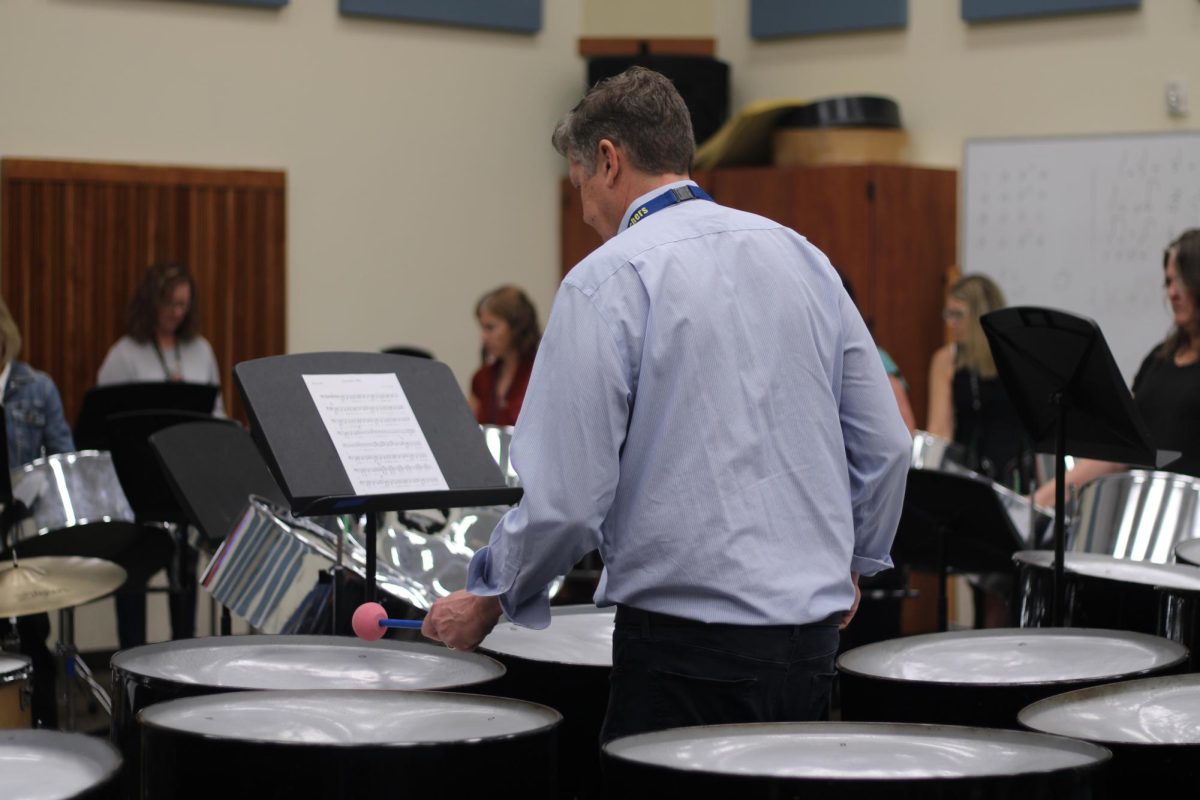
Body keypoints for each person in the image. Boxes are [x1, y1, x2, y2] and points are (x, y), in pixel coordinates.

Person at [422, 67, 911, 742]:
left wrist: (489, 596)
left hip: (688, 655)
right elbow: (885, 445)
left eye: (579, 187)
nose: (587, 210)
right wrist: (855, 561)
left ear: (608, 160)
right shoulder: (802, 256)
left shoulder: (606, 280)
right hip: (808, 646)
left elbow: (565, 500)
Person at [97, 262, 221, 646]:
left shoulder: (200, 350)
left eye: (184, 305)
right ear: (150, 303)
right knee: (133, 578)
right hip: (138, 490)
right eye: (169, 303)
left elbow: (218, 417)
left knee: (184, 578)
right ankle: (130, 663)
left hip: (185, 488)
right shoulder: (125, 354)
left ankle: (183, 661)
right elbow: (104, 424)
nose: (176, 313)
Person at [1034, 229, 1200, 506]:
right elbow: (1118, 450)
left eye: (1181, 281)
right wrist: (1039, 501)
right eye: (1169, 282)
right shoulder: (1159, 359)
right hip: (1139, 512)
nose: (1172, 292)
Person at [0, 295, 74, 727]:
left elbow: (64, 457)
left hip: (24, 540)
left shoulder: (38, 388)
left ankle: (43, 730)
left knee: (33, 639)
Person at [927, 274, 1032, 490]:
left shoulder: (1018, 358)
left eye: (958, 315)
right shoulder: (947, 360)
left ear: (980, 315)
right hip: (966, 478)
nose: (951, 323)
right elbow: (939, 430)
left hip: (1015, 479)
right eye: (948, 314)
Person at [468, 286, 540, 426]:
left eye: (490, 328)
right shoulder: (481, 377)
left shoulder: (540, 375)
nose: (483, 336)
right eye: (482, 328)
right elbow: (466, 429)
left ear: (516, 328)